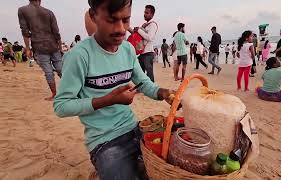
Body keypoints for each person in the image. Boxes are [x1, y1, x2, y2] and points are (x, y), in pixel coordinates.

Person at [54, 0, 175, 179]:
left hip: (135, 128)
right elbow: (61, 106)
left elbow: (144, 83)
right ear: (94, 16)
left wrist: (163, 93)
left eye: (125, 20)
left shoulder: (127, 49)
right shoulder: (79, 56)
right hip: (104, 141)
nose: (120, 29)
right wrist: (108, 100)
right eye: (111, 20)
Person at [18, 0, 63, 101]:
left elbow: (25, 32)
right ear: (40, 0)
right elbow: (56, 32)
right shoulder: (49, 12)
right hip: (53, 45)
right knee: (61, 70)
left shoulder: (22, 10)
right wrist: (60, 47)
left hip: (39, 45)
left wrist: (28, 48)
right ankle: (72, 91)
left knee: (48, 72)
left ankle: (54, 94)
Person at [129, 5, 158, 82]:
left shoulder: (153, 25)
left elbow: (149, 37)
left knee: (149, 72)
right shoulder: (145, 25)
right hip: (142, 53)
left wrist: (139, 30)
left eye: (147, 13)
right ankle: (142, 88)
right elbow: (139, 38)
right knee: (140, 73)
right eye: (144, 12)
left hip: (148, 53)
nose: (144, 14)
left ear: (152, 14)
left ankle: (152, 88)